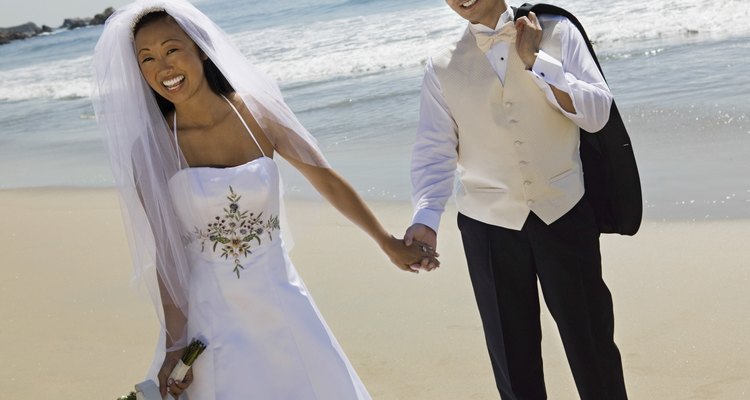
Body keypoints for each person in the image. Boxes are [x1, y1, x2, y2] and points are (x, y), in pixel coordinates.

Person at [92, 1, 438, 399]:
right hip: (211, 318)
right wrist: (174, 345)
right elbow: (169, 257)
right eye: (147, 58)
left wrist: (387, 242)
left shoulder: (259, 113)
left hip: (281, 297)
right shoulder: (152, 149)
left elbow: (326, 180)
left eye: (172, 49)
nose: (163, 67)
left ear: (200, 48)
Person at [404, 1, 628, 399]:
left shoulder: (558, 31)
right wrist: (426, 216)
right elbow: (434, 151)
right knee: (513, 360)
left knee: (591, 346)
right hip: (487, 225)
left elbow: (597, 112)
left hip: (563, 210)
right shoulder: (440, 66)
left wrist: (538, 61)